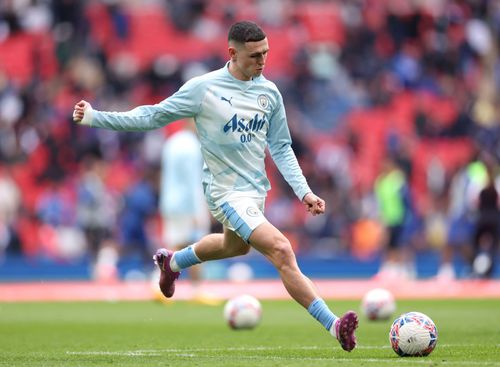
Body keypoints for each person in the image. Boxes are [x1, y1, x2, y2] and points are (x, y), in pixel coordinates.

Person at [73, 20, 358, 351]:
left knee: (234, 247)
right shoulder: (203, 89)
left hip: (254, 191)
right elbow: (152, 116)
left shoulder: (270, 93)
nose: (262, 62)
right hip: (224, 192)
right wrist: (95, 117)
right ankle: (334, 325)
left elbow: (280, 147)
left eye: (265, 54)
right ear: (232, 53)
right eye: (254, 56)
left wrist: (304, 191)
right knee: (281, 250)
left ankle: (173, 262)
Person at [157, 118, 214, 302]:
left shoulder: (171, 142)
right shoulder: (192, 146)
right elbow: (192, 180)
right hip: (187, 204)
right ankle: (197, 290)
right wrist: (198, 210)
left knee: (175, 244)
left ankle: (157, 286)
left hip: (169, 202)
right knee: (196, 245)